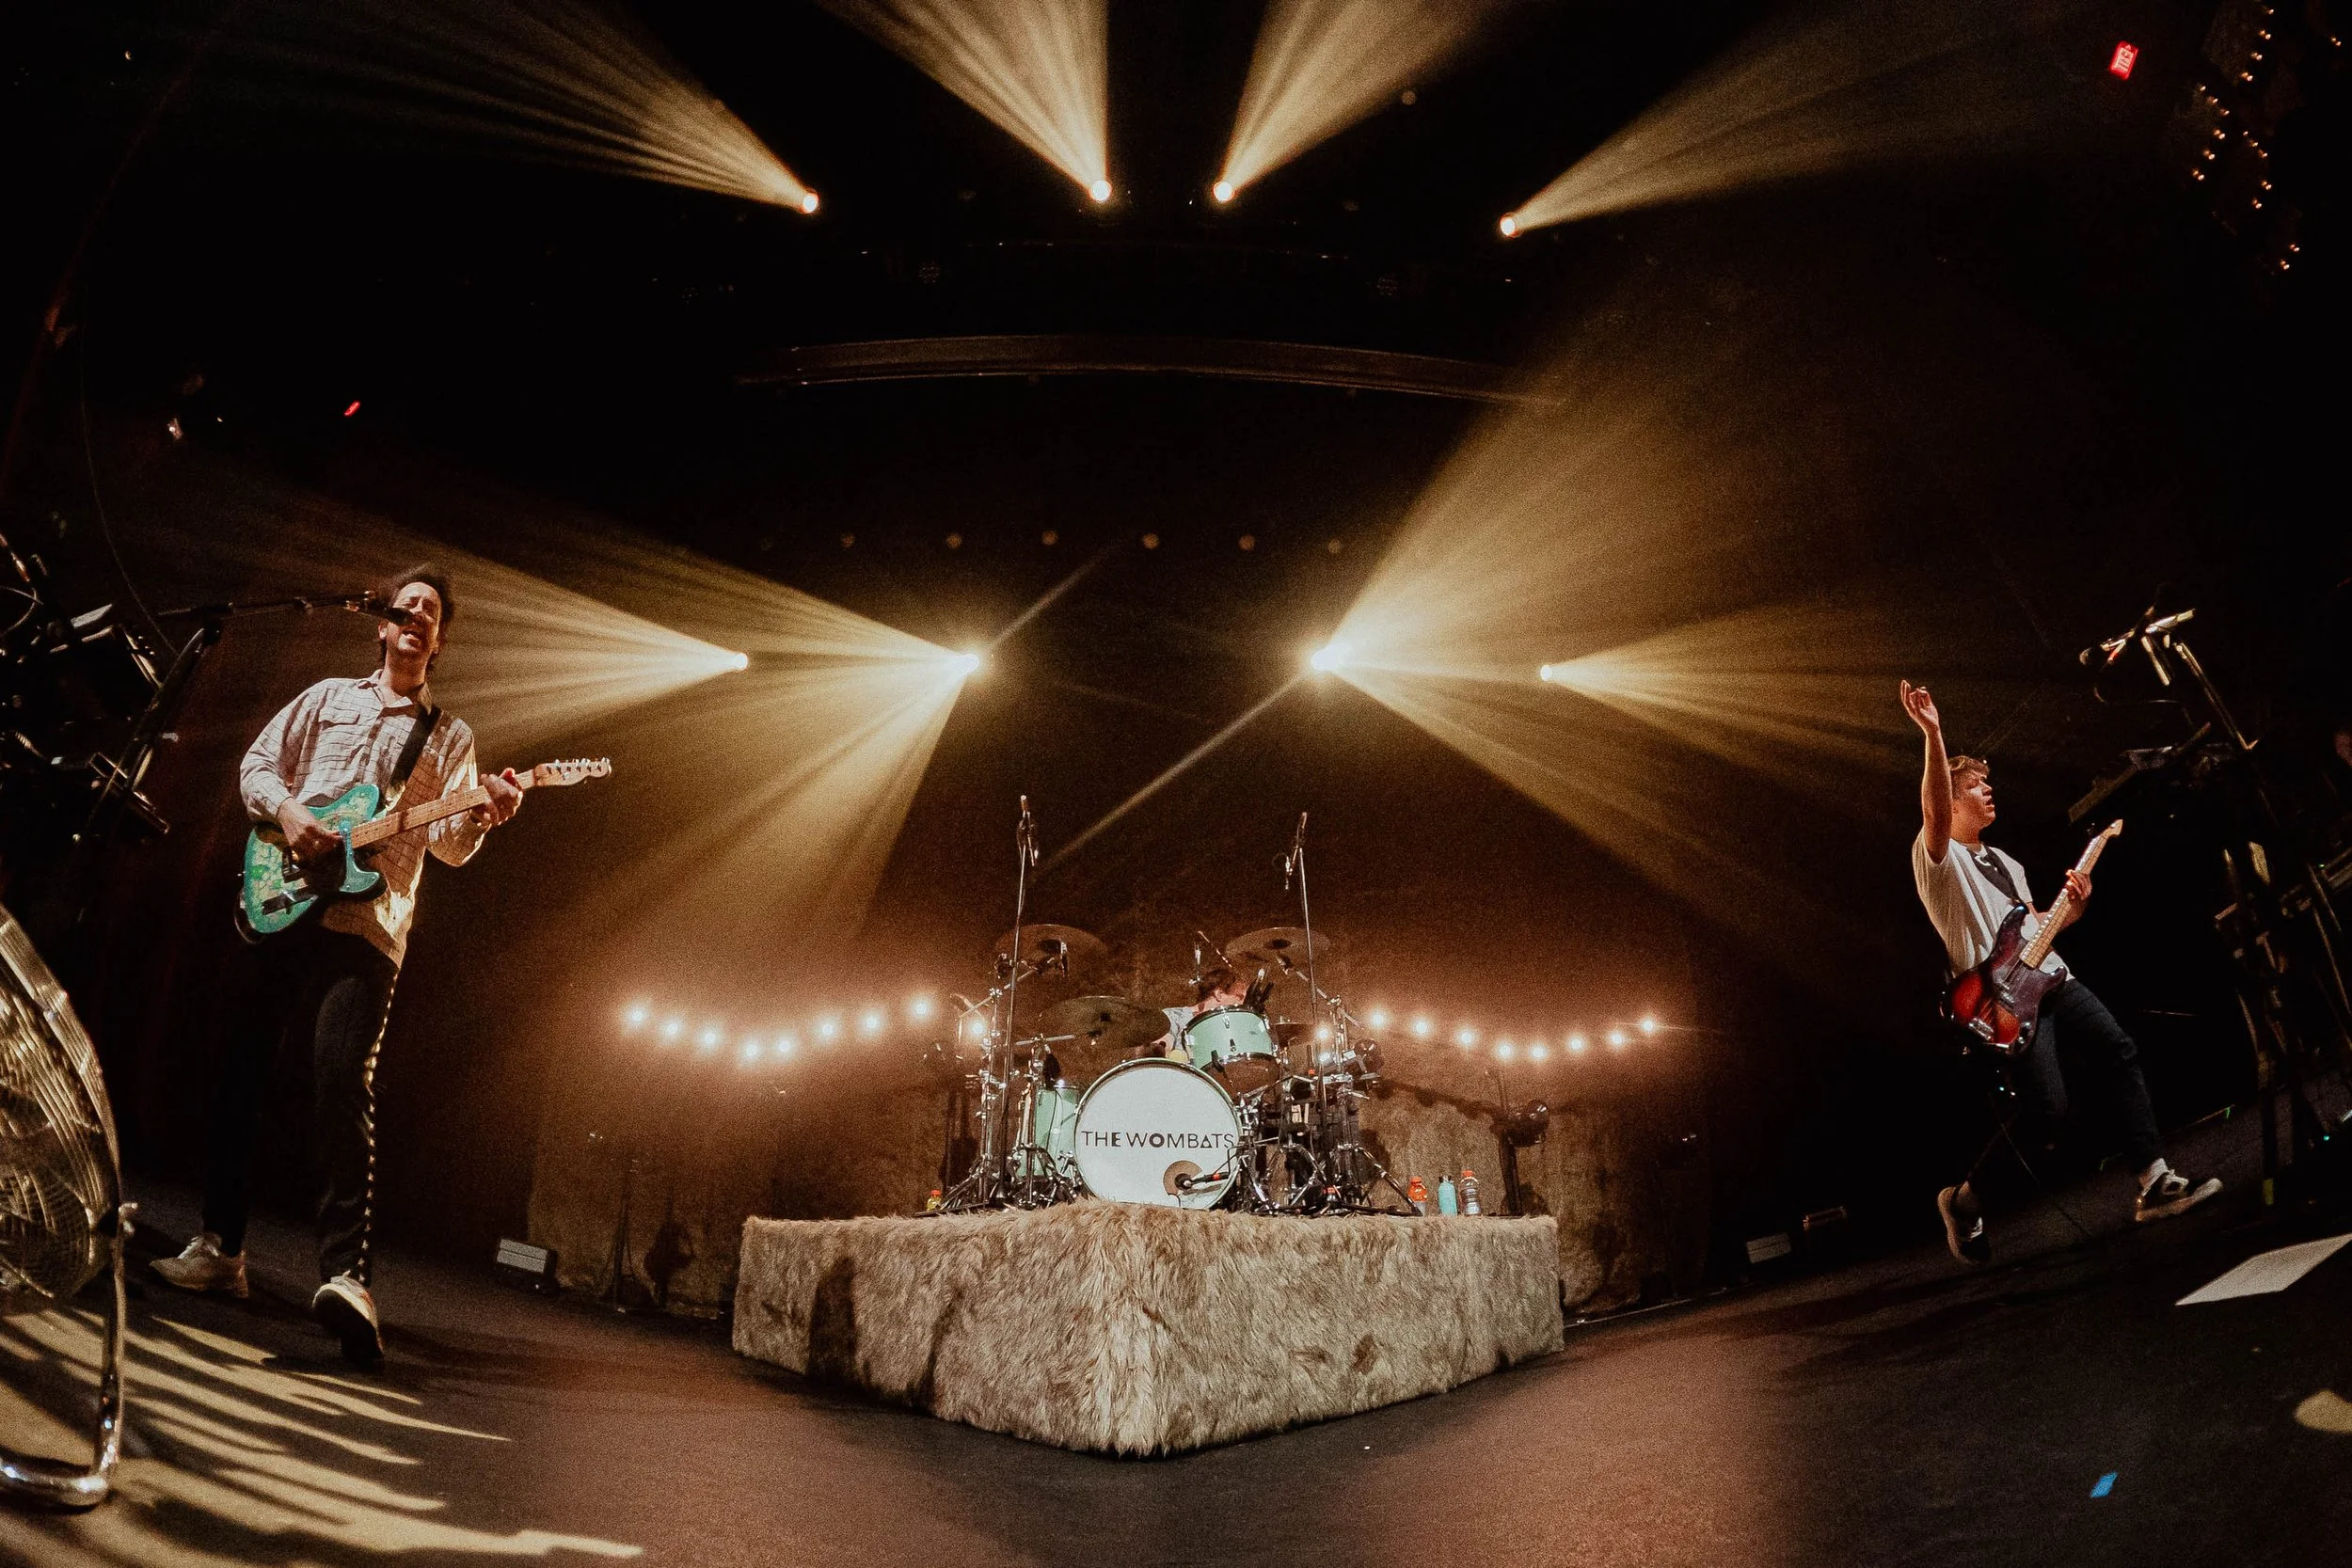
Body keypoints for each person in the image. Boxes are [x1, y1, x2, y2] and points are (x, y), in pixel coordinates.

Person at [151, 566, 523, 1364]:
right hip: (282, 895)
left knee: (343, 1080)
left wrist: (486, 813)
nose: (416, 616)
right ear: (382, 625)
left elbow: (449, 845)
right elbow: (257, 765)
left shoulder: (449, 737)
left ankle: (349, 1279)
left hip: (368, 925)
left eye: (430, 612)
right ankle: (221, 1247)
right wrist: (291, 814)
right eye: (407, 606)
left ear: (438, 640)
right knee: (239, 1071)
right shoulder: (326, 698)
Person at [1900, 679, 2218, 1265]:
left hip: (2052, 976)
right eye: (1974, 786)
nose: (1988, 790)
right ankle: (1965, 1201)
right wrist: (1933, 734)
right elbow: (1933, 811)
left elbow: (2035, 928)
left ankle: (2154, 1180)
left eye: (1987, 783)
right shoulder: (1937, 858)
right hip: (2002, 999)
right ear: (1951, 798)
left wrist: (2073, 909)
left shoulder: (2008, 863)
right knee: (2047, 1113)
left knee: (2118, 1050)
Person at [1156, 961, 1251, 1063]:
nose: (1242, 1003)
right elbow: (1160, 1055)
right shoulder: (1173, 1016)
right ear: (1219, 994)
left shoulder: (1229, 1032)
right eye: (1239, 997)